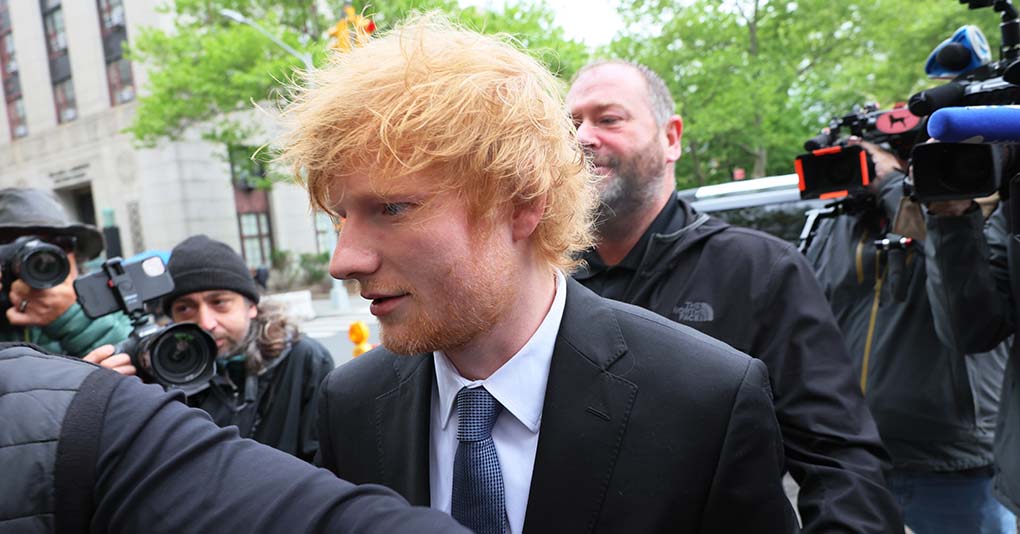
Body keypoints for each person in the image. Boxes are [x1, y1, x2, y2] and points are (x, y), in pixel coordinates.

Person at [279, 15, 797, 533]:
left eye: (391, 208)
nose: (343, 261)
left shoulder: (706, 400)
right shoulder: (350, 404)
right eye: (342, 217)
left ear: (521, 205)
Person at [566, 60, 901, 533]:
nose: (583, 137)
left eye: (608, 119)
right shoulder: (546, 279)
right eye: (572, 123)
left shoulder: (761, 271)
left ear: (671, 137)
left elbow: (841, 461)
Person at [0, 341, 469, 534]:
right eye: (186, 309)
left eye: (391, 209)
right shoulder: (352, 393)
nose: (341, 261)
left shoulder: (308, 365)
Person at [803, 139, 1014, 533]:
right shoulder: (843, 224)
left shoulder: (975, 200)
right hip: (858, 457)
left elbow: (958, 254)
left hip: (953, 464)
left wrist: (893, 186)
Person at [0, 187, 131, 356]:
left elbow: (143, 366)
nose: (40, 258)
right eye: (13, 244)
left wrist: (72, 317)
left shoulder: (108, 300)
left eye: (57, 244)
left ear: (75, 255)